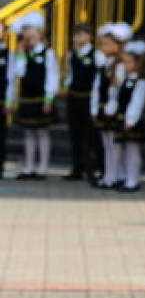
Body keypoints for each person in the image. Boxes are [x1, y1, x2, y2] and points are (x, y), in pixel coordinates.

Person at [8, 11, 58, 180]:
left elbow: (52, 76)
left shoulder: (48, 53)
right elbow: (19, 73)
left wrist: (49, 98)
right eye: (27, 35)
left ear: (39, 34)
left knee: (42, 132)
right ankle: (29, 166)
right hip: (27, 97)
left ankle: (42, 167)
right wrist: (21, 53)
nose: (30, 38)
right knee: (29, 132)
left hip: (41, 97)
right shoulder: (22, 54)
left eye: (33, 35)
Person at [92, 22, 130, 190]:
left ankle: (115, 176)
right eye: (102, 44)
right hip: (102, 107)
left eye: (107, 44)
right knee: (106, 145)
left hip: (111, 109)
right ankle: (108, 174)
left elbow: (116, 90)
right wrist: (94, 108)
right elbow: (96, 87)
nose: (103, 47)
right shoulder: (103, 64)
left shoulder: (119, 65)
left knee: (114, 145)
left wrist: (111, 107)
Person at [112, 40, 145, 193]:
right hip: (122, 118)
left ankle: (133, 179)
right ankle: (124, 176)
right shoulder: (126, 80)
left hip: (132, 121)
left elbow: (137, 103)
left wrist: (131, 120)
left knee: (133, 151)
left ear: (137, 63)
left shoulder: (141, 83)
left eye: (127, 62)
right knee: (123, 149)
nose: (125, 65)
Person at [63, 21, 98, 182]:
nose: (77, 38)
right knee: (75, 134)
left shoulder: (96, 54)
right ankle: (76, 167)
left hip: (89, 97)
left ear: (89, 36)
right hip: (74, 97)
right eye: (75, 35)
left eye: (81, 34)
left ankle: (91, 167)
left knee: (89, 135)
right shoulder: (72, 54)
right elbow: (70, 73)